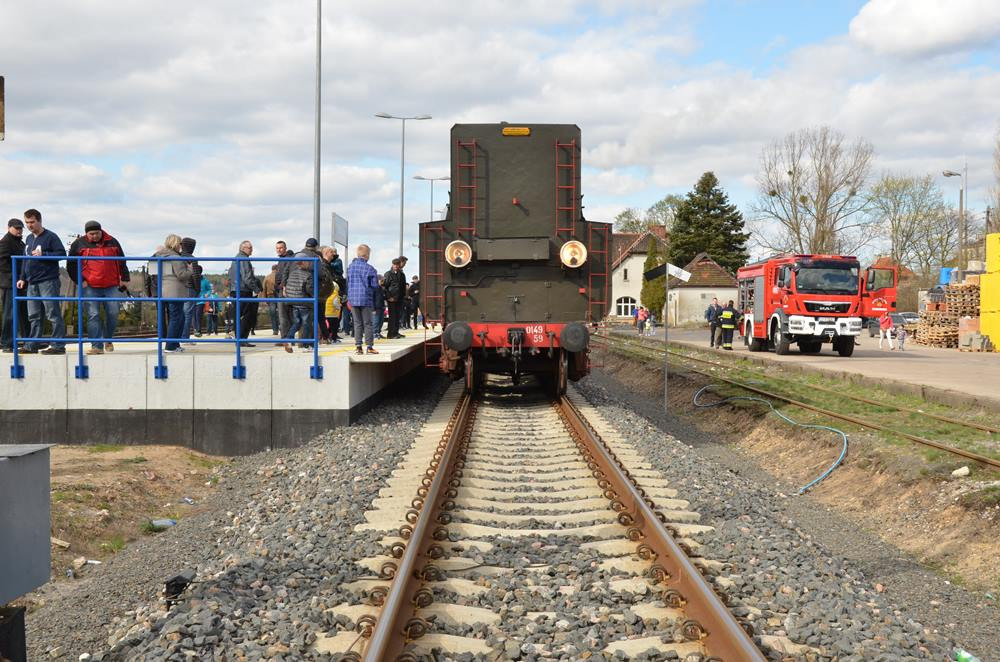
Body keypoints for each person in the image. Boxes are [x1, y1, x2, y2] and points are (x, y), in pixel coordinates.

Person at [67, 220, 129, 354]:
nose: (94, 236)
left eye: (97, 233)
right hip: (90, 285)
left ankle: (108, 338)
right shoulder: (78, 244)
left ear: (101, 231)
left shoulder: (113, 241)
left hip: (111, 285)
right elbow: (70, 264)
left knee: (113, 313)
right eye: (91, 234)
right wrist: (79, 280)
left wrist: (125, 278)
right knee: (92, 315)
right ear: (86, 234)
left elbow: (122, 260)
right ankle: (96, 346)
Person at [19, 209, 67, 354]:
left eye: (32, 222)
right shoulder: (28, 239)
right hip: (31, 282)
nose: (29, 225)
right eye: (27, 222)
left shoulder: (51, 237)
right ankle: (32, 345)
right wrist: (22, 277)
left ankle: (58, 346)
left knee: (52, 314)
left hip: (48, 281)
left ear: (40, 221)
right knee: (33, 315)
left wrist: (44, 254)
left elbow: (61, 254)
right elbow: (24, 260)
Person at [153, 235, 194, 352]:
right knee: (177, 318)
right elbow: (182, 275)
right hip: (175, 291)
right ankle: (171, 346)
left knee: (177, 317)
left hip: (164, 290)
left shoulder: (160, 255)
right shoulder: (175, 257)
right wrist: (190, 269)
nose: (181, 246)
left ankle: (175, 344)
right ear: (175, 244)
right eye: (180, 243)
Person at [0, 219, 29, 352]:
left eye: (20, 228)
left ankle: (27, 341)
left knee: (24, 313)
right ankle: (7, 343)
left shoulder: (19, 242)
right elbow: (3, 264)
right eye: (16, 228)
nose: (19, 230)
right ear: (9, 228)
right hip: (10, 284)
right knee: (10, 314)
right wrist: (17, 277)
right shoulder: (5, 242)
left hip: (20, 283)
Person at [347, 244, 379, 355]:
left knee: (357, 323)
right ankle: (369, 347)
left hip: (353, 299)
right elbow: (375, 285)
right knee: (368, 323)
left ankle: (358, 347)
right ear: (367, 255)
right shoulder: (370, 268)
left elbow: (348, 282)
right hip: (365, 298)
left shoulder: (350, 267)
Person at [228, 240, 261, 345]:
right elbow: (247, 277)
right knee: (248, 315)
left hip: (235, 290)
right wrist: (256, 289)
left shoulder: (236, 259)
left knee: (238, 315)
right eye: (250, 247)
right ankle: (242, 339)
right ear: (243, 248)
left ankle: (239, 339)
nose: (252, 249)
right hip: (243, 290)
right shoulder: (243, 259)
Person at [281, 253, 316, 352]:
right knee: (306, 324)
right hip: (304, 302)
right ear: (304, 262)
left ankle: (288, 339)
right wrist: (315, 296)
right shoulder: (308, 275)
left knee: (297, 322)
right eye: (308, 262)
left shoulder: (293, 273)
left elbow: (288, 286)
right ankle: (306, 346)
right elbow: (309, 289)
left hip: (293, 302)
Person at [179, 237, 202, 342]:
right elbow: (196, 276)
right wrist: (198, 289)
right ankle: (184, 338)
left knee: (178, 313)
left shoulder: (176, 256)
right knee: (188, 314)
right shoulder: (193, 259)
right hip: (190, 288)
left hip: (178, 288)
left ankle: (177, 337)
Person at [274, 240, 296, 338]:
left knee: (283, 315)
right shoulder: (282, 259)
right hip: (282, 289)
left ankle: (285, 338)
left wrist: (283, 286)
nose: (279, 250)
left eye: (281, 248)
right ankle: (288, 337)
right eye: (277, 248)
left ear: (285, 248)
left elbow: (286, 274)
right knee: (287, 315)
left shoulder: (287, 259)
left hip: (284, 290)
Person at [383, 258, 407, 339]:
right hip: (391, 299)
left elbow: (403, 286)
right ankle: (390, 334)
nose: (396, 266)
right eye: (394, 264)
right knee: (392, 316)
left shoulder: (402, 274)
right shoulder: (388, 274)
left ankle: (396, 332)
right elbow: (385, 287)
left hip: (400, 298)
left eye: (397, 265)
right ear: (392, 265)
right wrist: (389, 297)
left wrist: (403, 296)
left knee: (398, 316)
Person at [324, 277, 342, 343]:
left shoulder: (326, 294)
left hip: (326, 313)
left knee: (328, 327)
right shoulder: (335, 295)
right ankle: (334, 338)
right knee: (334, 327)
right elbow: (335, 303)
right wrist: (338, 307)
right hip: (333, 314)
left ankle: (328, 338)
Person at [263, 265, 279, 335]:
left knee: (273, 314)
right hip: (279, 296)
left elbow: (264, 289)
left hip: (270, 296)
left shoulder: (267, 277)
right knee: (282, 313)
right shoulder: (279, 276)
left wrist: (265, 299)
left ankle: (275, 330)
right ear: (277, 269)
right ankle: (282, 328)